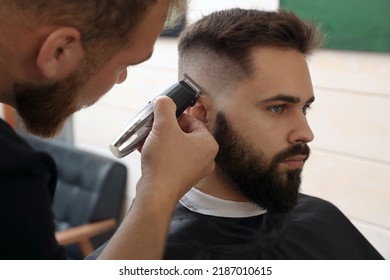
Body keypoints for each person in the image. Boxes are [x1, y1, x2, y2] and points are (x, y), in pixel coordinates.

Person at [0, 0, 218, 260]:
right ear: (59, 51)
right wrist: (160, 188)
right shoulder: (10, 174)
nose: (121, 78)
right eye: (123, 65)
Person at [161, 8, 384, 259]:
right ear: (201, 113)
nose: (306, 133)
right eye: (278, 108)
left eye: (305, 108)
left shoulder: (323, 216)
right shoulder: (147, 252)